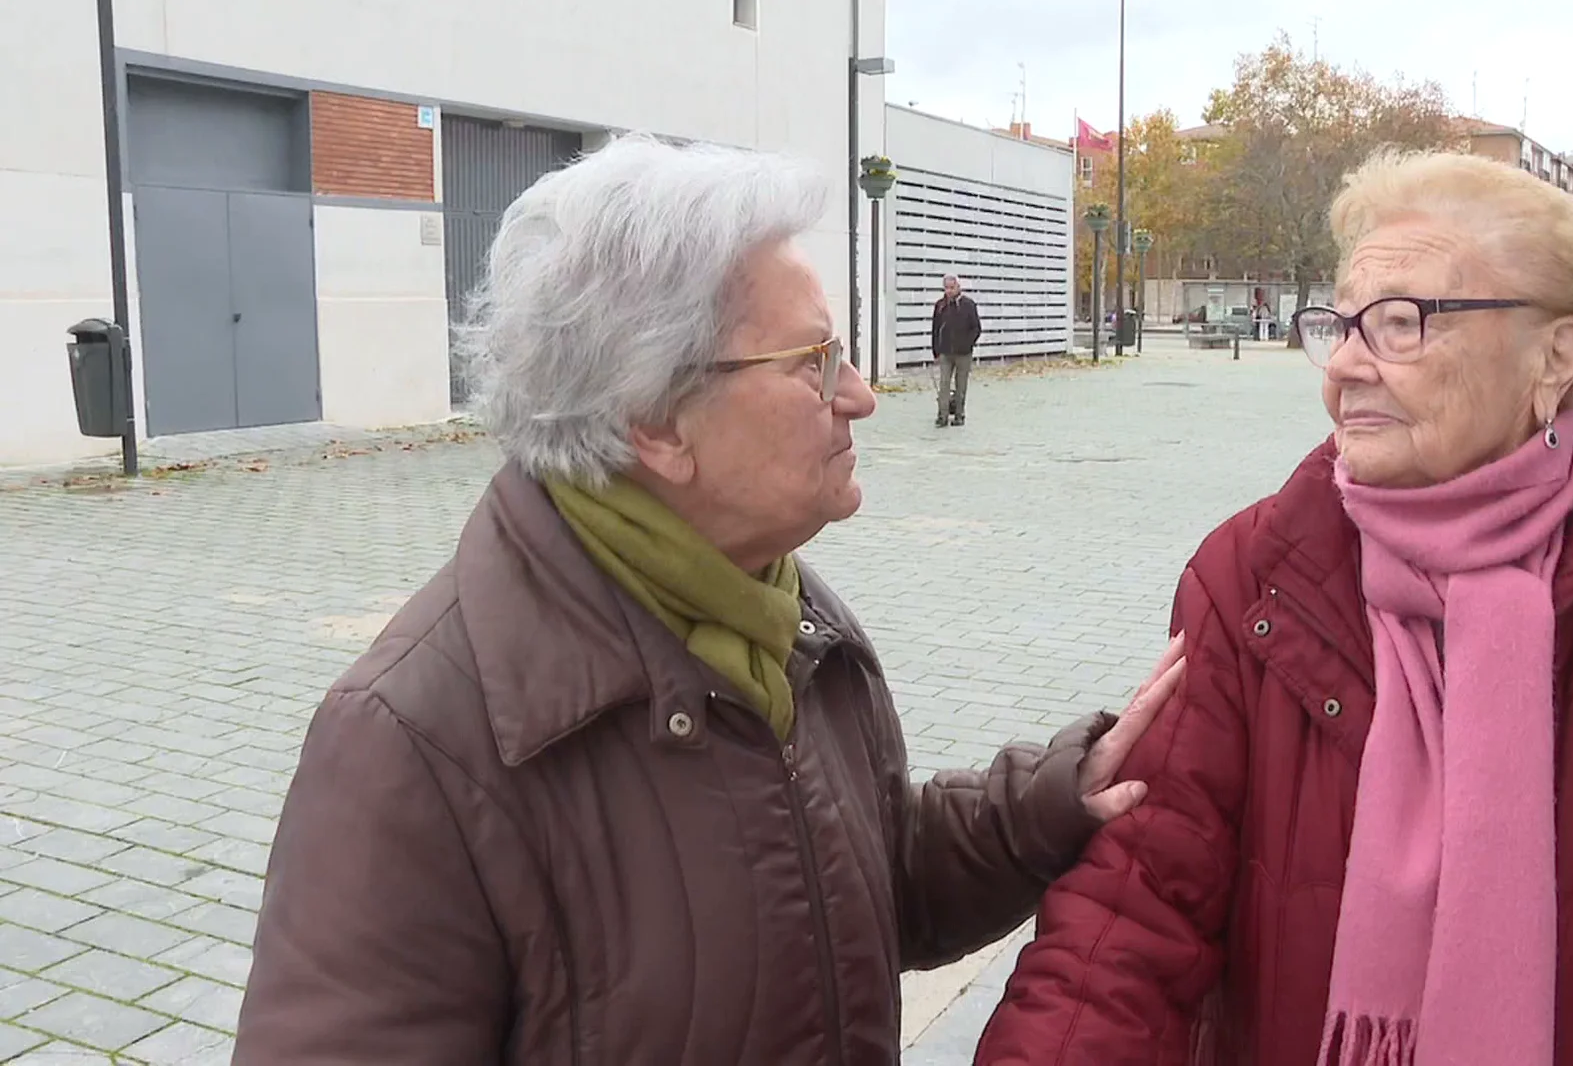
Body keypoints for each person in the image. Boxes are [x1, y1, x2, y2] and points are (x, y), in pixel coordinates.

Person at [232, 135, 1184, 1065]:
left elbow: (870, 881)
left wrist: (1047, 802)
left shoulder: (791, 619)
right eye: (814, 362)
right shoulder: (411, 744)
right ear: (655, 421)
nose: (860, 396)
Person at [978, 151, 1573, 1064]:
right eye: (1341, 323)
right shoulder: (1251, 575)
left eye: (1400, 322)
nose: (1345, 366)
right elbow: (1128, 923)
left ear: (1554, 355)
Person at [932, 273, 982, 427]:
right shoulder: (940, 305)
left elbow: (976, 328)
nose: (949, 291)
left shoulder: (968, 305)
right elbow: (935, 329)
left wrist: (968, 344)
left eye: (951, 288)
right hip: (945, 352)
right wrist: (936, 350)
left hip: (963, 353)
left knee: (961, 385)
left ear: (958, 287)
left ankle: (959, 415)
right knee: (944, 384)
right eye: (946, 288)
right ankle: (942, 416)